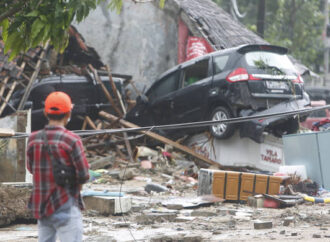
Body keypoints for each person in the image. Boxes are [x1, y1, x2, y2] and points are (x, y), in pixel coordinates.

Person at [27, 91, 89, 242]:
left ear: (45, 113)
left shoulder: (33, 139)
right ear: (68, 113)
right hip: (64, 203)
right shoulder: (72, 140)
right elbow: (84, 174)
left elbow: (31, 168)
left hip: (41, 207)